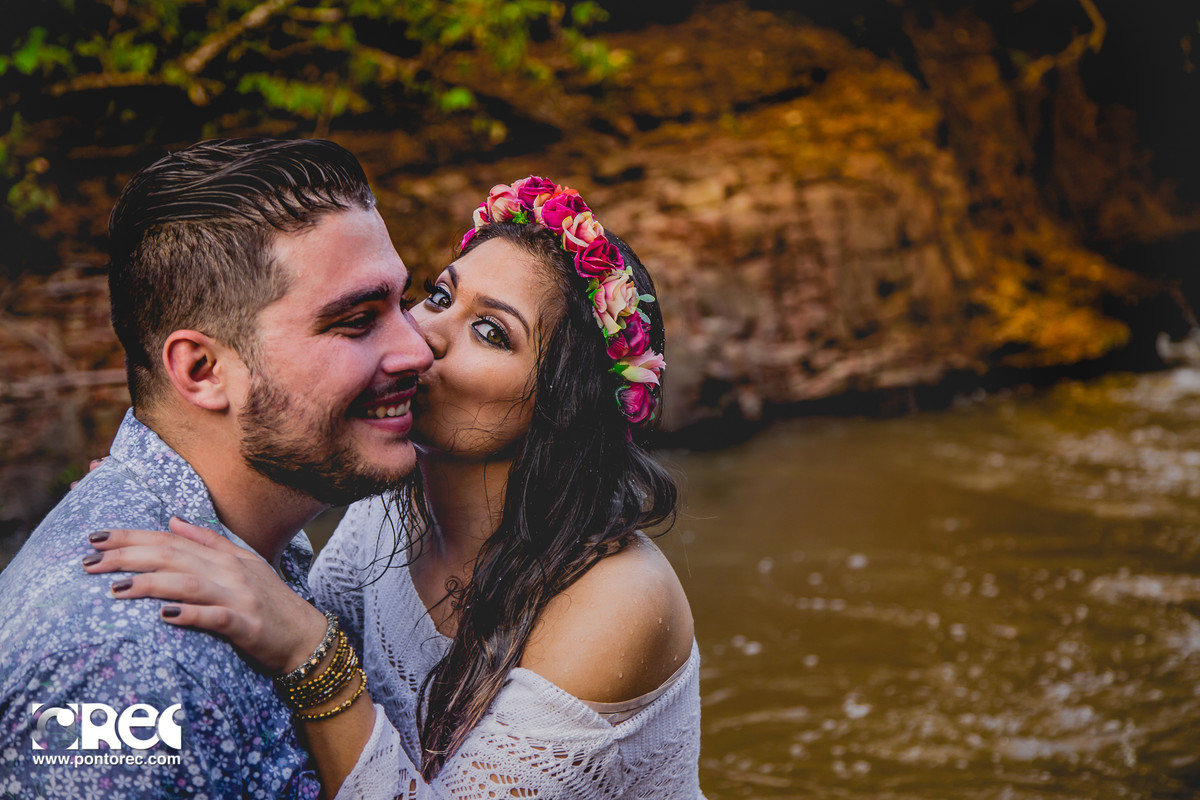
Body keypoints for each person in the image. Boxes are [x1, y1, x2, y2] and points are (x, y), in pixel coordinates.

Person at [85, 176, 704, 797]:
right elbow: (278, 645)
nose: (419, 335)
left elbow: (303, 648)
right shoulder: (385, 511)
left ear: (561, 408)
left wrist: (310, 650)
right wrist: (182, 500)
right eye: (439, 296)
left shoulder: (616, 602)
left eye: (490, 331)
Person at [0, 138, 433, 797]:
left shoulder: (246, 535)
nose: (417, 348)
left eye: (404, 303)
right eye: (356, 321)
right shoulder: (121, 659)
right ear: (203, 372)